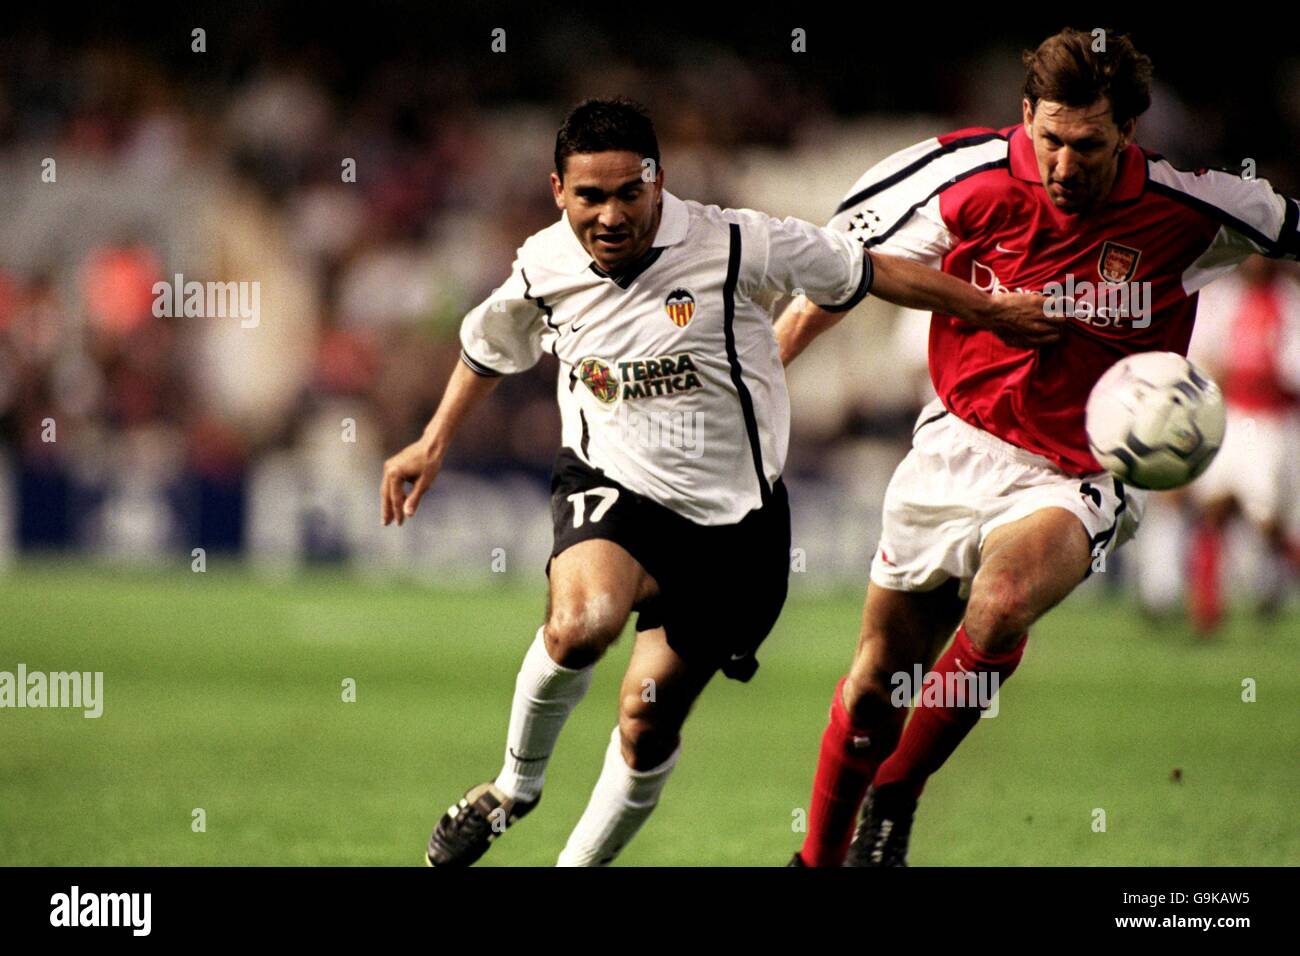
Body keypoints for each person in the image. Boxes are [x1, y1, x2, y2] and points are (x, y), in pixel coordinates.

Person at [380, 97, 1046, 866]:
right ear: (557, 190)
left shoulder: (734, 242)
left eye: (629, 192)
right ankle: (513, 789)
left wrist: (989, 310)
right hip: (612, 487)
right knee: (581, 625)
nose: (611, 215)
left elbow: (868, 271)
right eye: (590, 196)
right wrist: (431, 443)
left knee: (646, 720)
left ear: (658, 183)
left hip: (735, 531)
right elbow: (491, 346)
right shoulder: (543, 265)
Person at [777, 28, 1300, 866]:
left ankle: (898, 791)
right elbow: (844, 268)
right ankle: (817, 861)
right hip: (956, 442)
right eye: (1049, 139)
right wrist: (761, 378)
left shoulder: (1194, 207)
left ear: (1128, 131)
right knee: (876, 686)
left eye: (1087, 145)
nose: (1063, 164)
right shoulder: (963, 175)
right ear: (1026, 116)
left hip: (1079, 470)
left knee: (1002, 602)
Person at [1185, 255, 1300, 633]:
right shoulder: (1224, 298)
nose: (1255, 262)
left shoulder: (1289, 303)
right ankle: (1207, 612)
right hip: (1232, 417)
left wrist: (1254, 374)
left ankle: (1277, 584)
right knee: (1213, 510)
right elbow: (1203, 354)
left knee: (1267, 522)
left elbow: (1288, 372)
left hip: (1271, 423)